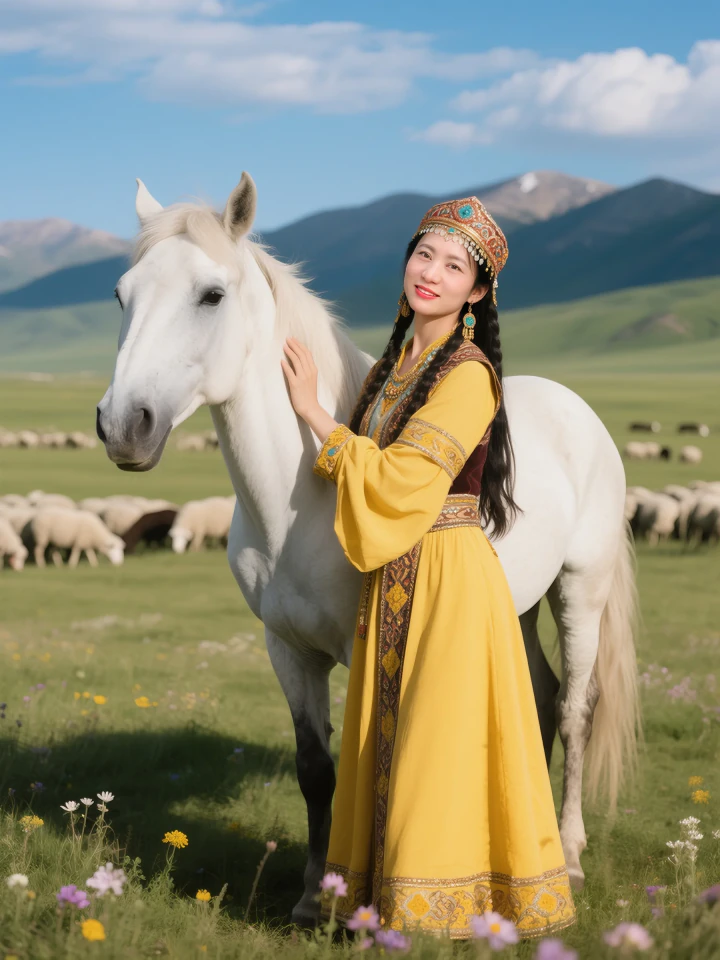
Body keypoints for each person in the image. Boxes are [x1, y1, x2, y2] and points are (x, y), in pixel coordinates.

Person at [280, 196, 576, 941]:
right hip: (394, 577)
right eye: (425, 255)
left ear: (478, 292)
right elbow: (364, 474)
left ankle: (431, 909)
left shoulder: (471, 375)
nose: (433, 274)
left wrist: (318, 415)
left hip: (446, 574)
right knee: (388, 739)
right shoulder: (394, 366)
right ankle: (377, 896)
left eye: (455, 266)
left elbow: (404, 484)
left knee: (433, 744)